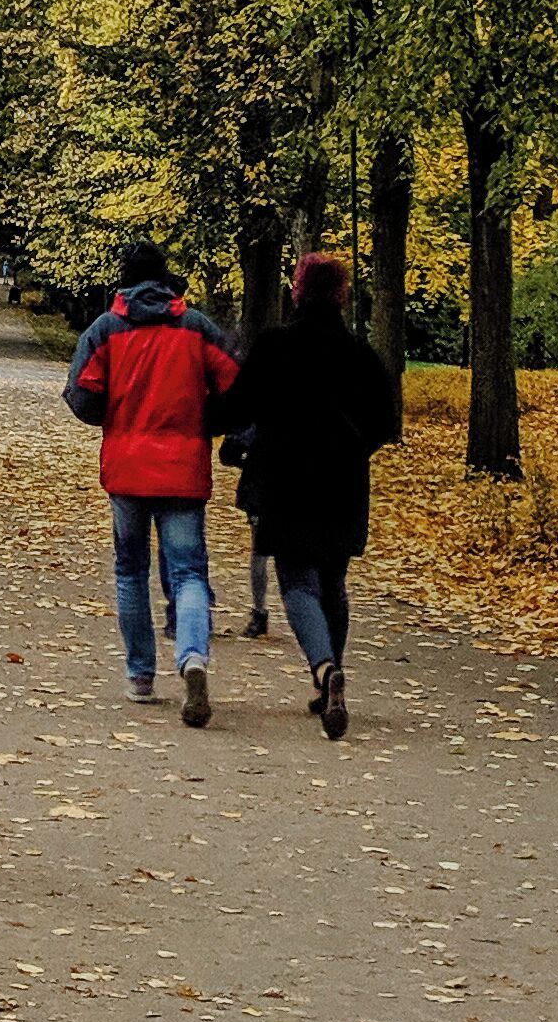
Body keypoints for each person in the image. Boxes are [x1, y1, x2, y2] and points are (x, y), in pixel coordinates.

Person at [212, 252, 403, 740]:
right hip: (344, 480)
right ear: (342, 295)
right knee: (333, 579)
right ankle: (330, 678)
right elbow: (386, 421)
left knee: (297, 580)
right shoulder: (360, 355)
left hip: (285, 479)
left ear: (297, 290)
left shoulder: (275, 346)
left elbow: (236, 409)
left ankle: (324, 668)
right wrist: (356, 446)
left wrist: (208, 420)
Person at [63, 239, 239, 725]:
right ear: (166, 279)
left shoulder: (106, 330)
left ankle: (141, 674)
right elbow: (235, 383)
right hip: (183, 467)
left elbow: (81, 394)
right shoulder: (196, 327)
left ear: (124, 280)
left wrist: (114, 416)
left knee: (130, 571)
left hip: (127, 467)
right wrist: (208, 420)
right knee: (188, 572)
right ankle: (193, 656)